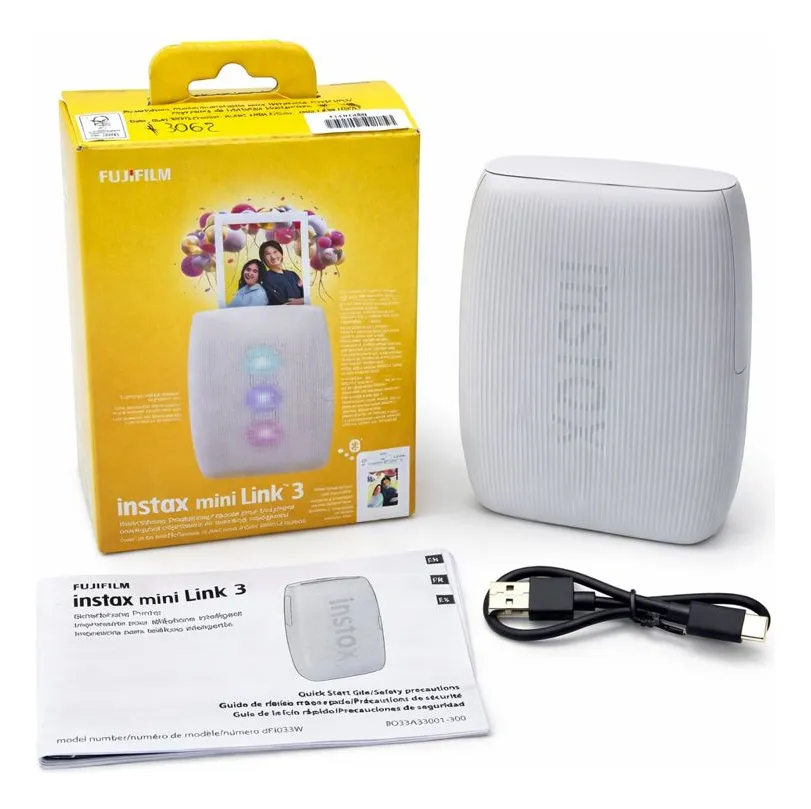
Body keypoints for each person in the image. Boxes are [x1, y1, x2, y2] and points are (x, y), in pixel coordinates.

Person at [259, 240, 304, 305]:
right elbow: (282, 302)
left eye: (275, 252)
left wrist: (302, 301)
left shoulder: (292, 274)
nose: (273, 257)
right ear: (263, 259)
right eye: (268, 254)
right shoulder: (265, 278)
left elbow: (305, 295)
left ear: (281, 253)